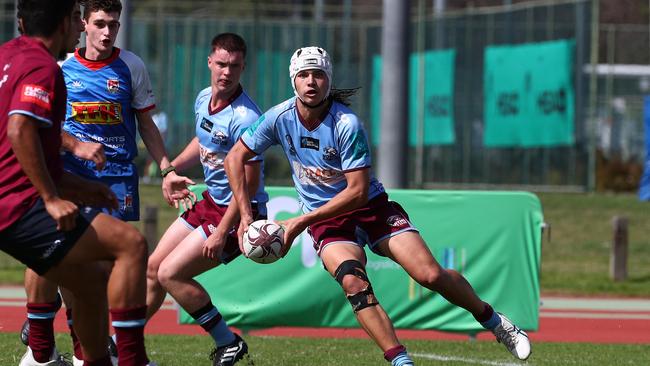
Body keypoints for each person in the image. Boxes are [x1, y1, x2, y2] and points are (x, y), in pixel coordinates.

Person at [224, 46, 532, 365]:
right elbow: (235, 157)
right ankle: (401, 361)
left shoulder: (346, 124)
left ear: (329, 79)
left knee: (428, 274)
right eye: (303, 75)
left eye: (318, 74)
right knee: (353, 282)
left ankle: (494, 321)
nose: (311, 82)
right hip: (329, 223)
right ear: (294, 81)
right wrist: (246, 214)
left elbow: (357, 193)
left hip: (370, 209)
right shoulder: (278, 118)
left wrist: (300, 221)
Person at [20, 0, 193, 364]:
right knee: (52, 256)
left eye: (113, 24)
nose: (106, 31)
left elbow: (146, 122)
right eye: (99, 23)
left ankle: (92, 350)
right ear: (83, 24)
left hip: (116, 179)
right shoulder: (61, 66)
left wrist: (166, 168)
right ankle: (44, 351)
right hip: (70, 176)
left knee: (105, 269)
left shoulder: (131, 66)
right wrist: (74, 146)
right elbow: (39, 124)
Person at [0, 1, 153, 365]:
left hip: (14, 198)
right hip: (17, 204)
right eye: (78, 20)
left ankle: (71, 357)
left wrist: (78, 188)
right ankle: (132, 360)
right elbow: (20, 130)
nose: (84, 29)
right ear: (66, 23)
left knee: (90, 280)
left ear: (21, 22)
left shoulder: (8, 55)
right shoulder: (45, 67)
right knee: (131, 246)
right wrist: (52, 197)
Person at [147, 33, 267, 366]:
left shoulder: (245, 118)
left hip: (240, 212)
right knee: (153, 268)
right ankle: (123, 343)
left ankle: (228, 342)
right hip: (211, 201)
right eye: (222, 65)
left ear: (243, 68)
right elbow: (201, 142)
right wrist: (170, 169)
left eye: (235, 66)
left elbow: (251, 185)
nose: (227, 73)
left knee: (170, 274)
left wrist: (221, 231)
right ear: (209, 62)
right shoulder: (203, 98)